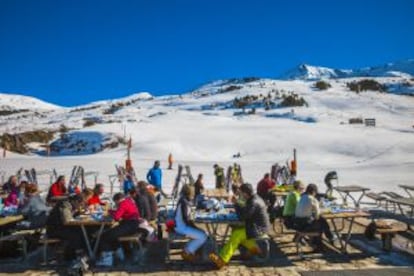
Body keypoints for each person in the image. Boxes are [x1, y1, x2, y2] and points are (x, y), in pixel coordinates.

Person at [209, 183, 270, 269]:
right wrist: (237, 203)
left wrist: (236, 204)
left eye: (241, 193)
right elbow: (245, 210)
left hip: (258, 228)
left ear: (245, 193)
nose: (240, 195)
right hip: (257, 226)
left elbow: (243, 217)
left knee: (237, 234)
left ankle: (222, 260)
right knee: (236, 230)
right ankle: (255, 249)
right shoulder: (254, 198)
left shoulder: (253, 201)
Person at [97, 193, 142, 266]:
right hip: (133, 225)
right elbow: (119, 213)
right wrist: (111, 211)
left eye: (115, 202)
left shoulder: (123, 203)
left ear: (117, 200)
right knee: (112, 235)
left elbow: (117, 217)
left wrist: (109, 213)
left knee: (105, 236)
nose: (116, 205)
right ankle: (120, 255)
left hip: (129, 225)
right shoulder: (128, 201)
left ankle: (106, 260)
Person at [45, 192, 92, 261]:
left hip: (60, 228)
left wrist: (78, 213)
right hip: (54, 230)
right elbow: (66, 221)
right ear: (76, 201)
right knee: (77, 235)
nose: (80, 207)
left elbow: (70, 216)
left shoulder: (69, 204)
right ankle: (70, 257)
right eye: (80, 204)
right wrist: (78, 220)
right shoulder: (65, 205)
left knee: (83, 231)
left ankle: (77, 254)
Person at [294, 183, 336, 249]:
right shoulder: (312, 199)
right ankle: (326, 240)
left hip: (297, 224)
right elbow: (317, 216)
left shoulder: (302, 197)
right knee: (321, 221)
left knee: (320, 221)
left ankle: (329, 238)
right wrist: (326, 210)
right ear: (314, 192)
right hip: (304, 226)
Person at [174, 184, 208, 262]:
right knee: (203, 236)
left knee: (202, 233)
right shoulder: (184, 202)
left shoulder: (183, 200)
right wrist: (196, 228)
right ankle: (187, 252)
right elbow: (186, 219)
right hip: (182, 227)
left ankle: (188, 249)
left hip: (180, 225)